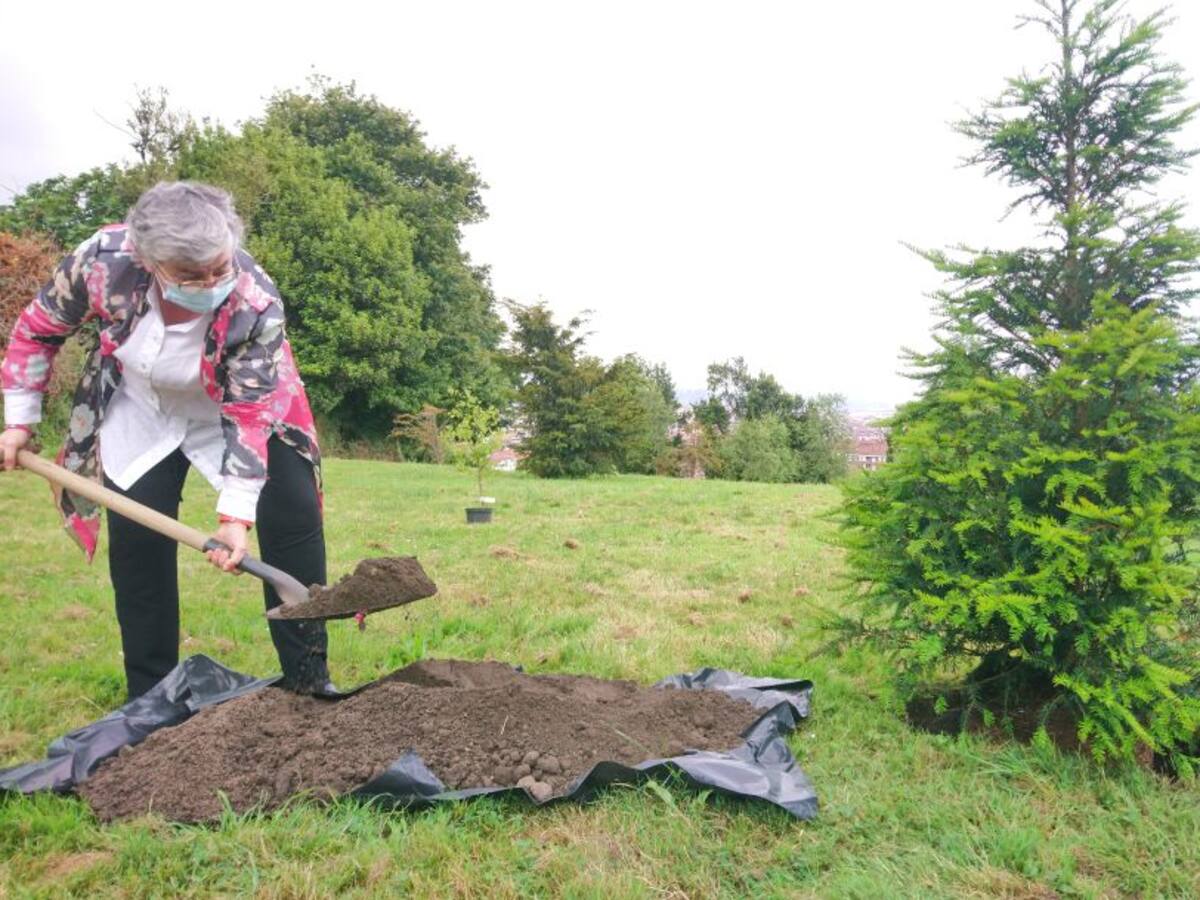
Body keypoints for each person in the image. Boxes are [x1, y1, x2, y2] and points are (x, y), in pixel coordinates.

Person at [0, 181, 333, 699]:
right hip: (141, 404)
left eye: (219, 268)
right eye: (189, 274)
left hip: (240, 402)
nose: (208, 283)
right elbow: (37, 330)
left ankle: (310, 685)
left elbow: (248, 413)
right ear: (147, 258)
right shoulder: (103, 262)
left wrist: (233, 517)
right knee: (138, 542)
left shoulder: (255, 300)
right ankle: (151, 698)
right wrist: (20, 420)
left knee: (292, 518)